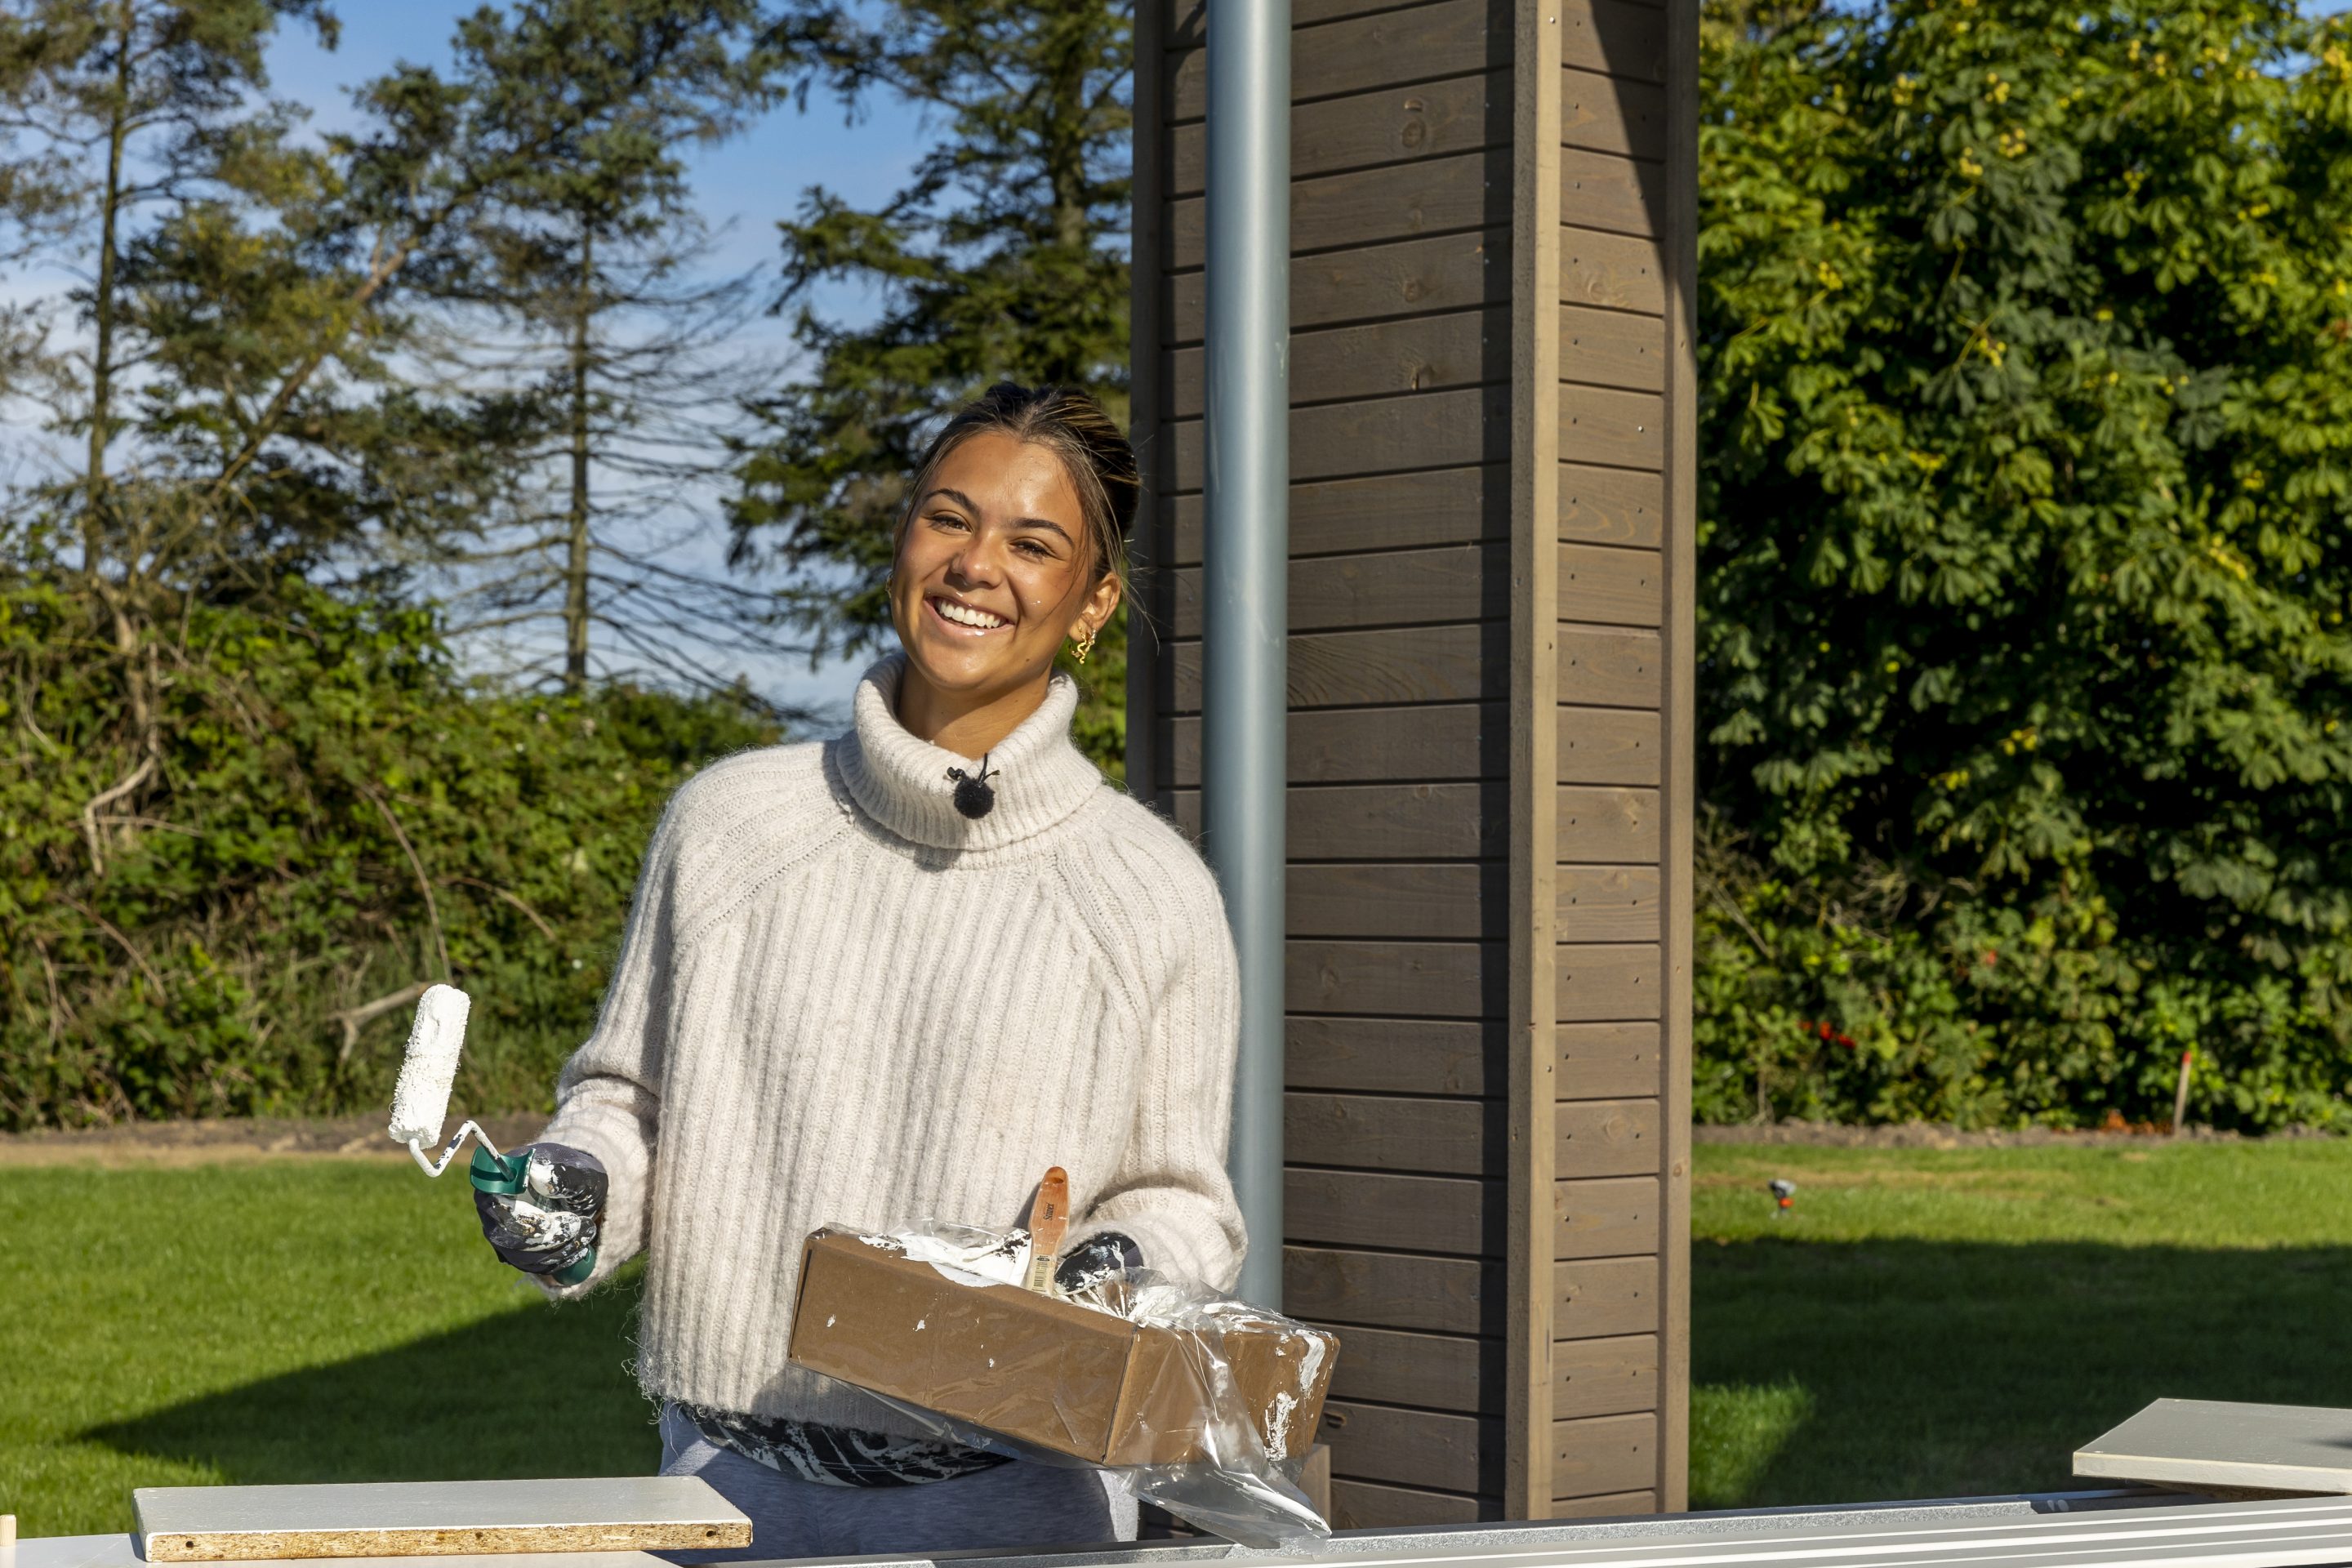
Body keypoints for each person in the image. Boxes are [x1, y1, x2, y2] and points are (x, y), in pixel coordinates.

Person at [473, 382, 1246, 1560]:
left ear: (1093, 601)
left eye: (1033, 544)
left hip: (1018, 1514)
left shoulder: (1150, 892)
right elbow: (628, 1104)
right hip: (725, 1498)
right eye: (949, 518)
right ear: (903, 539)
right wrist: (573, 1190)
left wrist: (1120, 1270)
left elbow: (1184, 1206)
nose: (976, 565)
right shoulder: (729, 827)